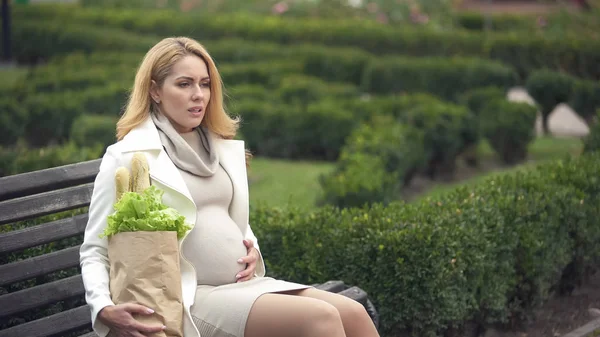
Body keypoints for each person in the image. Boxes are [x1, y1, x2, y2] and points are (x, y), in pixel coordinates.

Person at [79, 36, 380, 337]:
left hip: (242, 287)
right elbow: (94, 248)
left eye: (204, 84)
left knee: (353, 312)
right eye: (184, 84)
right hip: (189, 300)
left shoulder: (219, 147)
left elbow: (233, 222)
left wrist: (253, 253)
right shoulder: (130, 156)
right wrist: (103, 308)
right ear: (155, 90)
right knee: (321, 318)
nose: (198, 94)